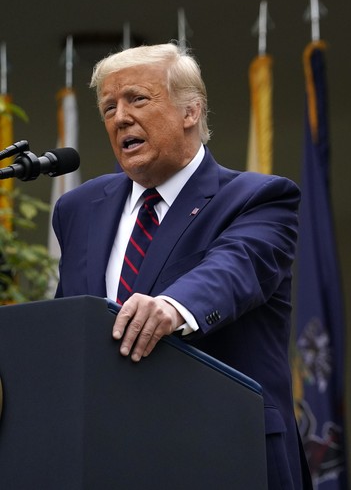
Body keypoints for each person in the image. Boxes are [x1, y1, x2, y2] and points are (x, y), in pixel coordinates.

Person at [51, 43, 313, 490]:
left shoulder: (258, 198)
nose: (119, 118)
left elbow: (234, 268)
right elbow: (69, 323)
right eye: (109, 107)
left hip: (224, 450)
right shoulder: (79, 208)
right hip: (106, 456)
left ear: (191, 111)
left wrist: (173, 306)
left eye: (137, 99)